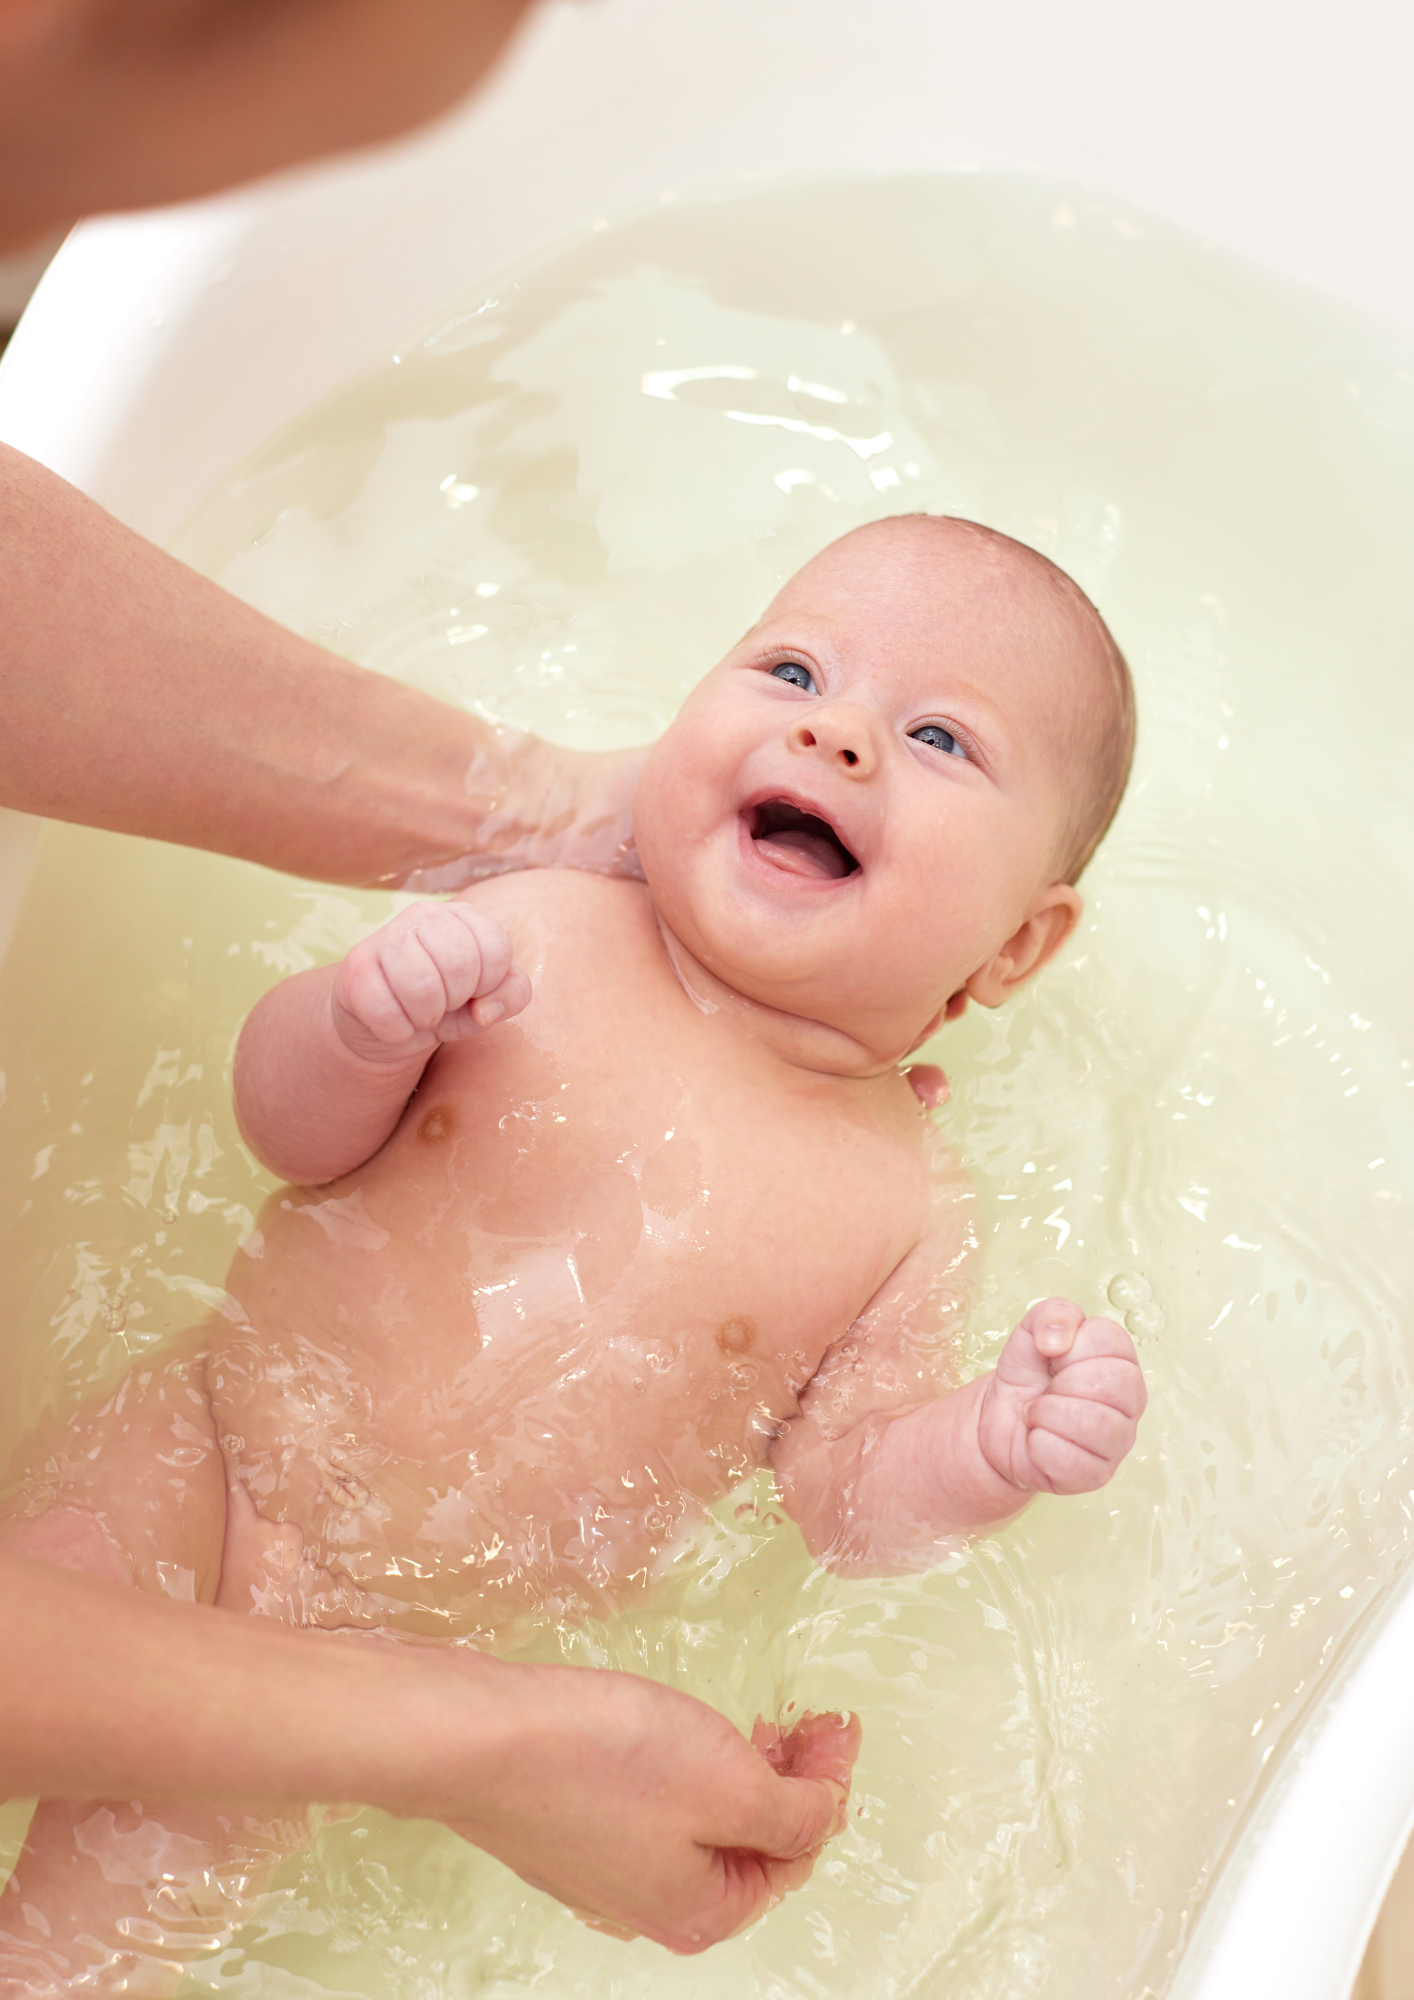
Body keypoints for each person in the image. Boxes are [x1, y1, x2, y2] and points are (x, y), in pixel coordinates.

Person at [1, 515, 1147, 1986]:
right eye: (791, 667)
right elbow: (288, 1139)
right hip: (203, 1440)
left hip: (396, 1647)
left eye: (938, 738)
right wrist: (355, 1026)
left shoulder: (901, 1203)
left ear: (1015, 949)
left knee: (78, 1953)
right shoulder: (534, 930)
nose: (837, 732)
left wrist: (985, 1451)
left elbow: (843, 1502)